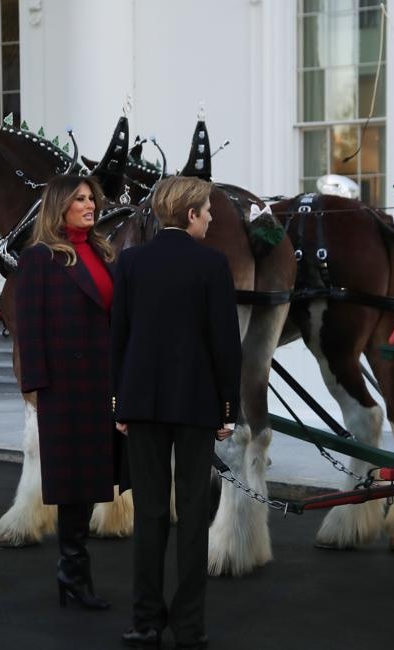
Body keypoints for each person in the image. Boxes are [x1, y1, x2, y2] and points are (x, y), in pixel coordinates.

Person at [112, 176, 241, 649]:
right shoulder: (212, 264)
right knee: (191, 516)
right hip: (197, 406)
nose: (210, 217)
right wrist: (228, 407)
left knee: (148, 514)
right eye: (206, 210)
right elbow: (226, 344)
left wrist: (119, 403)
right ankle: (189, 627)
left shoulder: (130, 262)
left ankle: (145, 622)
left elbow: (118, 339)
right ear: (189, 215)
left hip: (142, 405)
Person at [15, 174, 118, 610]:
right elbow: (29, 326)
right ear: (59, 205)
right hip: (65, 387)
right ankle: (72, 572)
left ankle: (73, 573)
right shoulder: (39, 257)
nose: (89, 204)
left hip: (105, 383)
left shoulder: (102, 251)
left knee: (93, 478)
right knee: (74, 482)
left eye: (91, 198)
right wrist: (36, 386)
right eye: (79, 199)